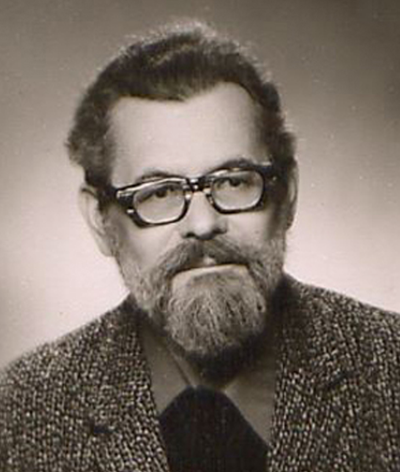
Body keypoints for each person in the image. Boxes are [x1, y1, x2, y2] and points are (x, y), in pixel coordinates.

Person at [0, 21, 399, 472]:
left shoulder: (390, 370)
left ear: (287, 195)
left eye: (234, 181)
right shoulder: (17, 414)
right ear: (101, 222)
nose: (204, 224)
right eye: (159, 192)